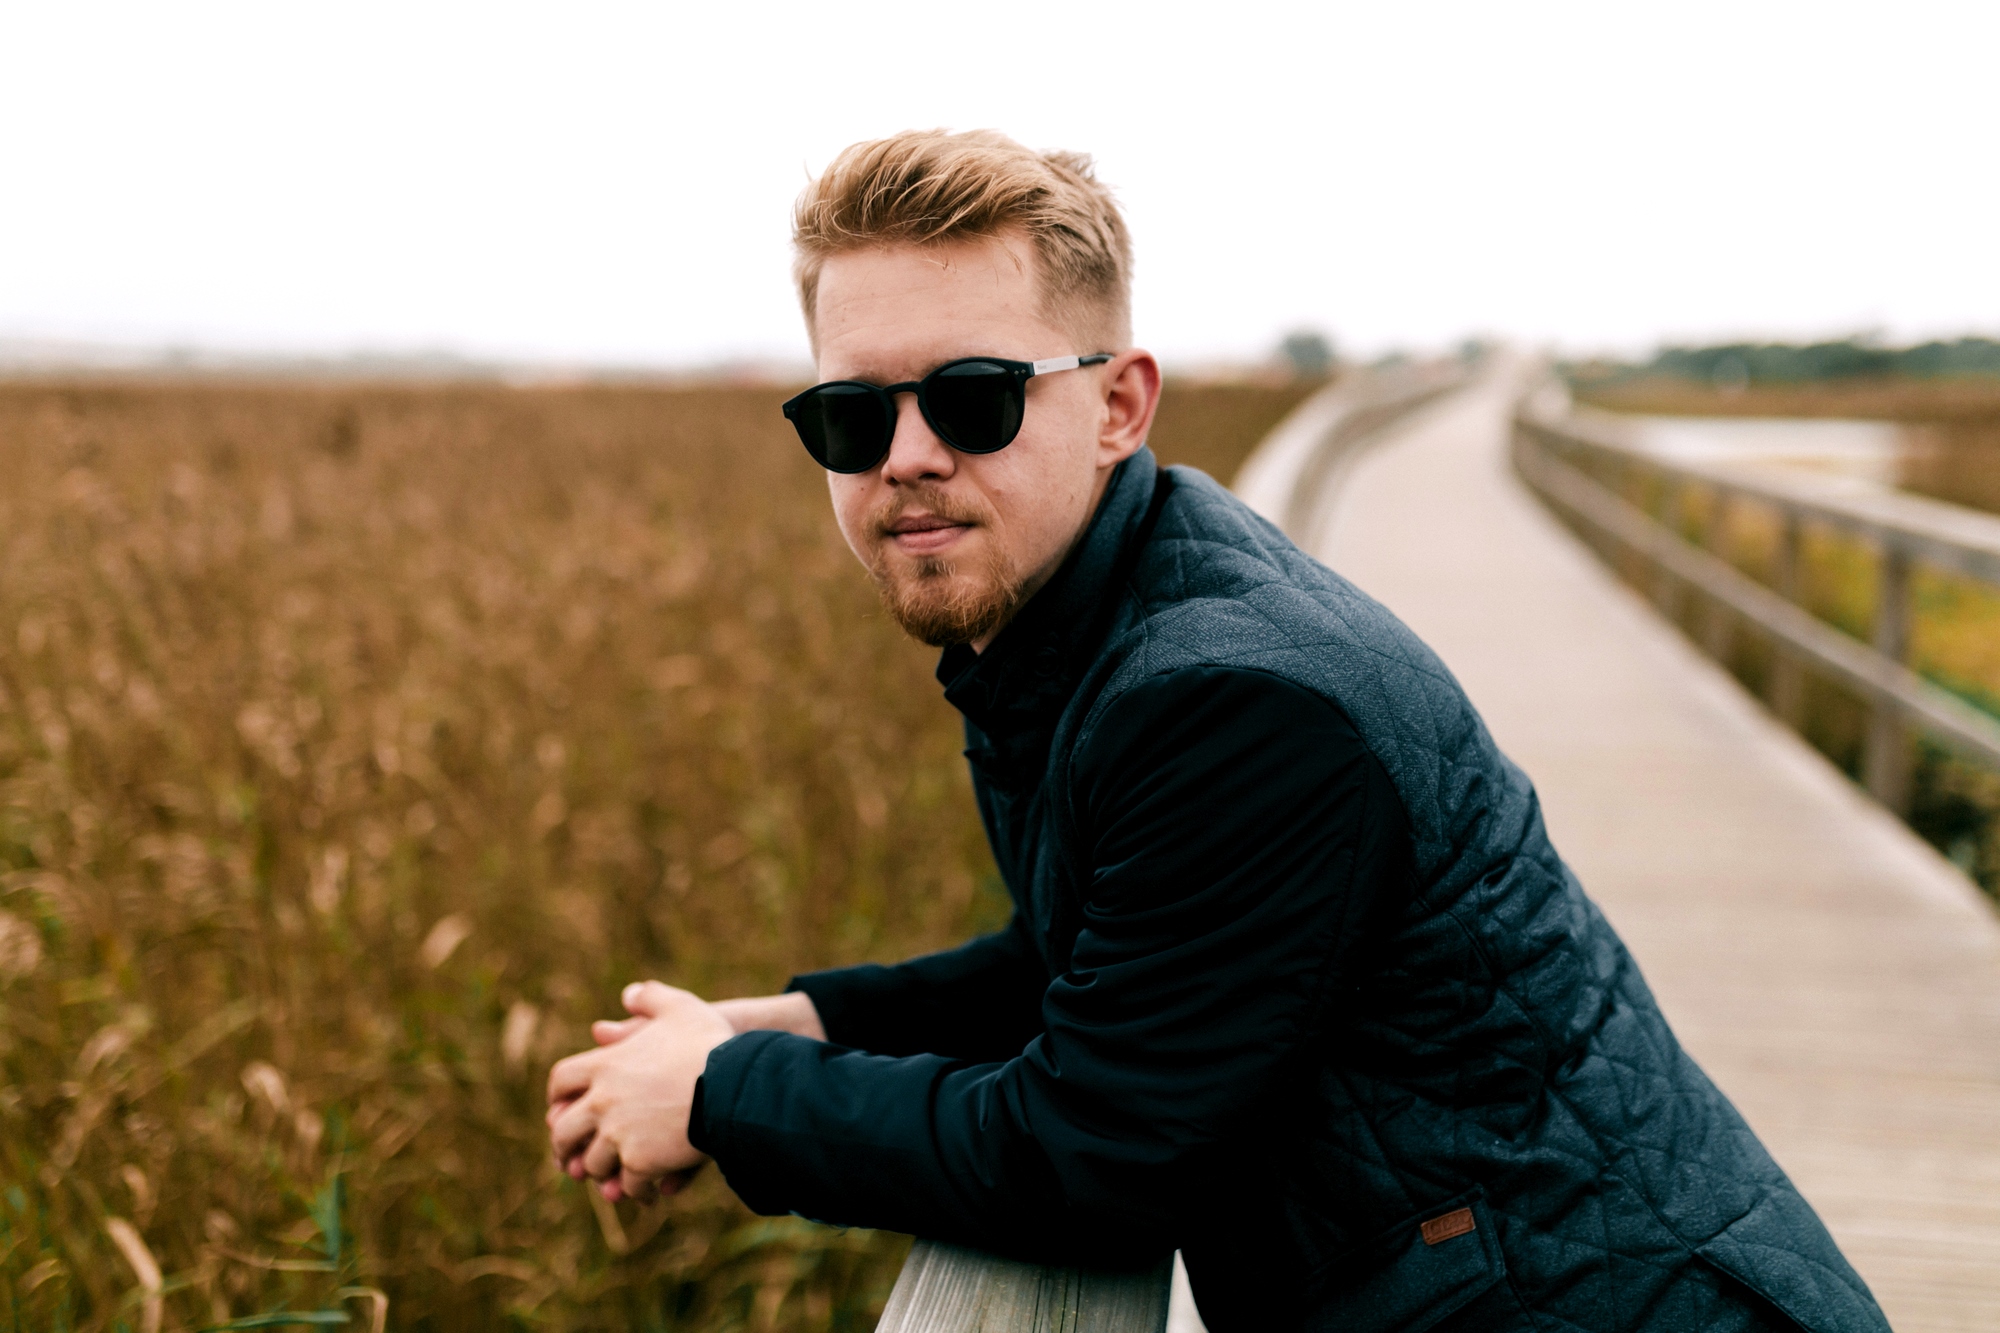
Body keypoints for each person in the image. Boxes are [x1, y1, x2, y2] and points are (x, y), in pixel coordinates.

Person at [546, 129, 1888, 1332]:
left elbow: (1091, 1149)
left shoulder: (1234, 700)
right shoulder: (1096, 609)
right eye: (851, 414)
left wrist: (729, 1097)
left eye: (974, 396)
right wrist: (802, 1022)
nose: (905, 454)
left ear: (1118, 405)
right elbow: (1103, 950)